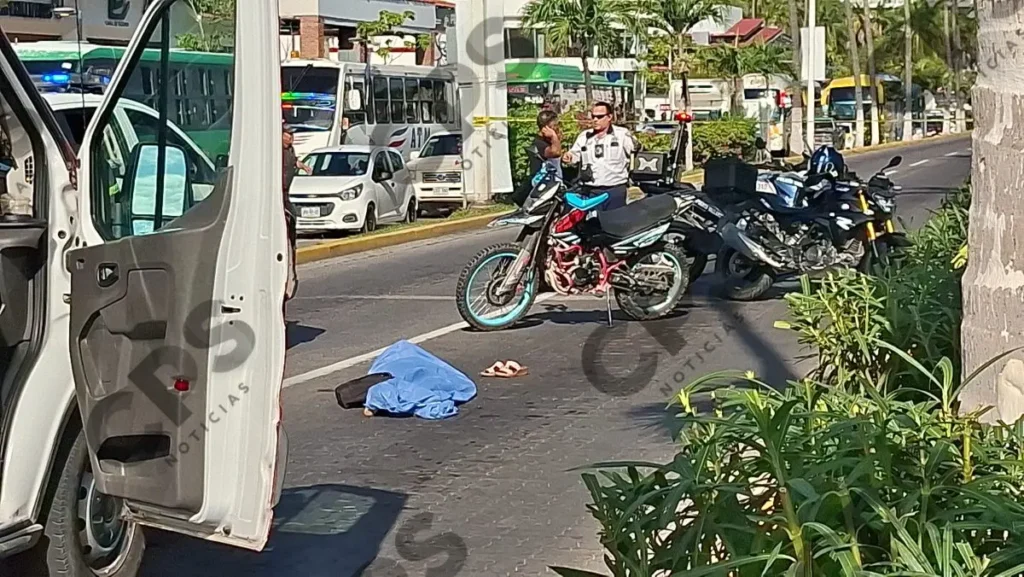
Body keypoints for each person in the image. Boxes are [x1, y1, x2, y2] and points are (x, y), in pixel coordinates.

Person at [562, 102, 637, 211]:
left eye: (600, 116)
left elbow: (637, 150)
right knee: (592, 225)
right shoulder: (585, 136)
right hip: (591, 191)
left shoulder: (622, 135)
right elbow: (574, 155)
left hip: (615, 191)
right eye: (593, 116)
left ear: (609, 117)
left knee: (614, 224)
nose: (595, 119)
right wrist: (568, 157)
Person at [282, 128, 312, 300]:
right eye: (287, 135)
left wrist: (304, 166)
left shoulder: (290, 151)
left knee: (292, 222)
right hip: (279, 195)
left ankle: (291, 262)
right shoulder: (276, 152)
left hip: (286, 195)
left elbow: (295, 162)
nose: (290, 138)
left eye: (292, 135)